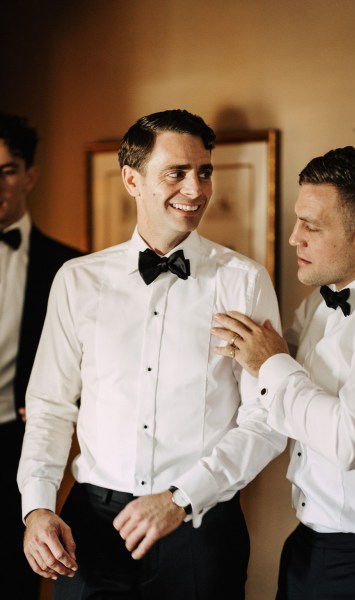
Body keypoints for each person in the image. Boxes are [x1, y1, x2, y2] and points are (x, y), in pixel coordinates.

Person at [17, 109, 285, 600]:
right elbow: (51, 407)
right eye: (176, 173)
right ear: (132, 179)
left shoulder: (244, 281)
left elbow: (266, 418)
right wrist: (36, 508)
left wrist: (182, 499)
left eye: (204, 171)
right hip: (91, 530)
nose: (196, 188)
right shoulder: (78, 280)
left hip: (202, 530)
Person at [212, 145, 355, 599]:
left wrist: (272, 362)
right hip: (308, 546)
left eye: (311, 227)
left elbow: (348, 440)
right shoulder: (319, 301)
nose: (295, 237)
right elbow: (266, 376)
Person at [0, 111, 82, 599]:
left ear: (30, 175)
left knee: (14, 582)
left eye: (7, 170)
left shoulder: (68, 269)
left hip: (18, 447)